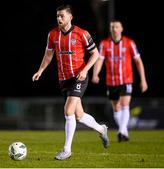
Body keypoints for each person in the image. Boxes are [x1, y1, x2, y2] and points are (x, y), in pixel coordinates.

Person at [32, 4, 109, 160]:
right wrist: (40, 70)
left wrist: (86, 69)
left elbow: (95, 54)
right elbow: (48, 56)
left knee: (68, 111)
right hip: (63, 80)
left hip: (79, 77)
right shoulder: (52, 35)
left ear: (70, 17)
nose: (59, 19)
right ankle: (101, 129)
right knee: (79, 116)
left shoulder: (82, 34)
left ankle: (67, 150)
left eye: (62, 16)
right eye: (57, 16)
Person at [92, 20, 148, 142]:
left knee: (124, 104)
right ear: (110, 29)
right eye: (112, 27)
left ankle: (121, 131)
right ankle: (124, 131)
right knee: (116, 107)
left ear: (121, 29)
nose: (114, 29)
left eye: (117, 27)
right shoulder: (105, 44)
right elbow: (100, 60)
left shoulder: (129, 43)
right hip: (111, 81)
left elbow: (138, 61)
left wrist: (143, 80)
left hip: (126, 80)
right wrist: (95, 74)